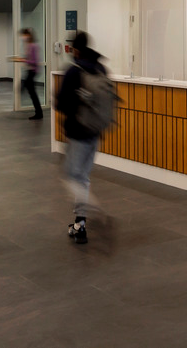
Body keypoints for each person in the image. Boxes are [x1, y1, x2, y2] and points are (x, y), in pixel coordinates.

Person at [54, 30, 114, 244]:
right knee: (83, 177)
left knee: (71, 176)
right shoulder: (101, 68)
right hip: (96, 131)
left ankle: (91, 208)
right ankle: (80, 225)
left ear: (75, 49)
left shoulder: (74, 71)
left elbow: (60, 103)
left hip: (78, 132)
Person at [11, 27, 43, 119]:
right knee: (31, 92)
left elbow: (34, 61)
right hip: (30, 70)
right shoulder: (29, 46)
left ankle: (39, 113)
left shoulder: (33, 46)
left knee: (31, 91)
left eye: (24, 35)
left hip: (33, 71)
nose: (23, 37)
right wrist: (23, 59)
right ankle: (38, 112)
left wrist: (24, 60)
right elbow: (29, 58)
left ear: (29, 35)